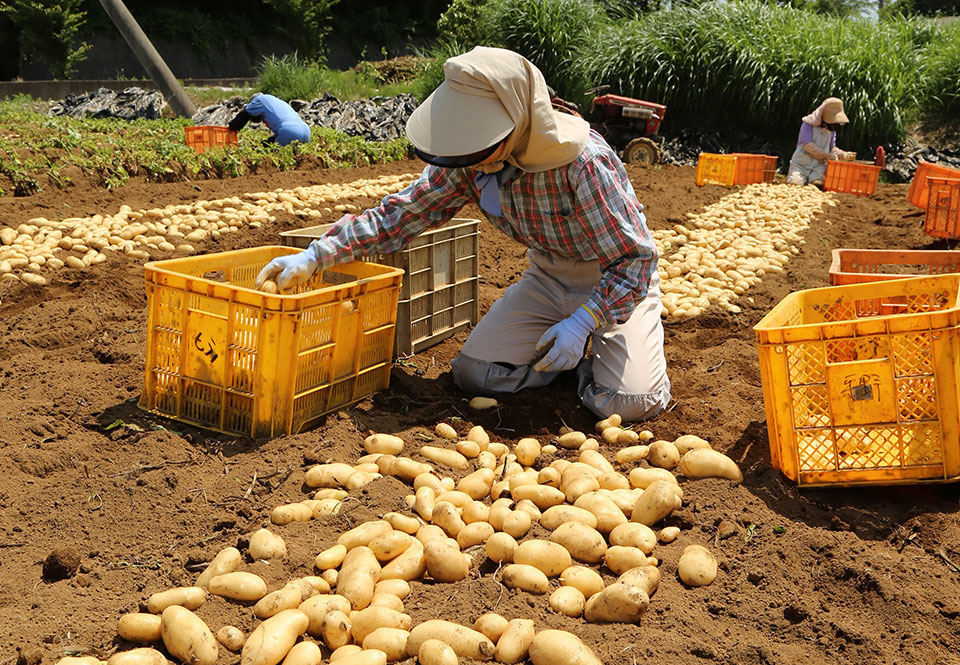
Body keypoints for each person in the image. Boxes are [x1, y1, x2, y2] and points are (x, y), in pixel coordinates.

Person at [255, 46, 670, 421]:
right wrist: (316, 255)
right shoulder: (471, 164)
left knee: (626, 403)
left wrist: (584, 322)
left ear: (518, 121)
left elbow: (635, 259)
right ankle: (574, 360)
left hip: (614, 281)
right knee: (478, 374)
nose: (465, 154)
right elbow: (399, 216)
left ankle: (593, 353)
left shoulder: (583, 163)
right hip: (548, 276)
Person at [786, 97, 856, 186]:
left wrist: (842, 154)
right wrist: (826, 155)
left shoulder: (831, 130)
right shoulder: (808, 124)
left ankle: (814, 179)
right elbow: (807, 146)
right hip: (801, 163)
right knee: (795, 183)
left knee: (817, 184)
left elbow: (832, 147)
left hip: (818, 166)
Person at [228, 93, 311, 146]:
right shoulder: (277, 102)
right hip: (306, 132)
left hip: (289, 131)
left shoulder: (259, 100)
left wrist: (233, 127)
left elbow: (244, 114)